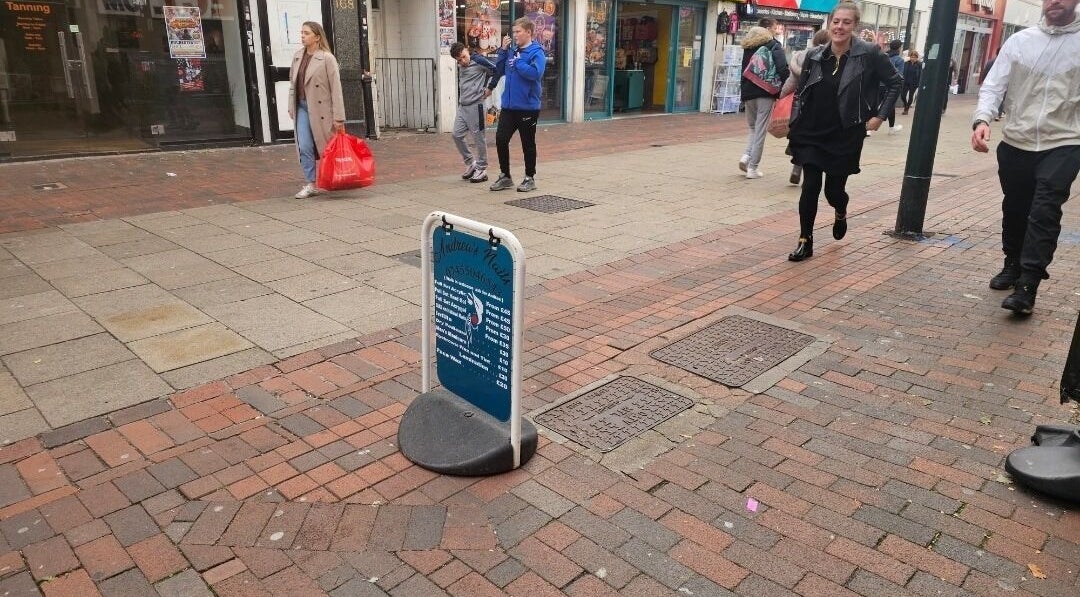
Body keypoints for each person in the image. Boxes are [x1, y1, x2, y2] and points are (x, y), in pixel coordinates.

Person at [971, 0, 1080, 315]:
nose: (1055, 1)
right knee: (1016, 207)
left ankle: (1028, 284)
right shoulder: (1020, 41)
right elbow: (994, 86)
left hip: (1064, 141)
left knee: (1045, 210)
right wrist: (982, 120)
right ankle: (1013, 263)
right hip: (1016, 140)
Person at [785, 1, 901, 262]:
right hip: (812, 129)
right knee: (810, 185)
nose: (839, 27)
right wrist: (794, 122)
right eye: (836, 21)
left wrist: (880, 116)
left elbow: (895, 82)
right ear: (830, 24)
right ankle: (805, 240)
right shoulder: (815, 55)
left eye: (846, 22)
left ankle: (840, 210)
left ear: (855, 25)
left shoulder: (869, 53)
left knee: (833, 191)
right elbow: (801, 92)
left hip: (845, 131)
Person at [288, 21, 345, 199]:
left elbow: (336, 88)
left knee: (327, 148)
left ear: (317, 37)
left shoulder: (327, 58)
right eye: (302, 32)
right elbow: (292, 84)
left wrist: (339, 117)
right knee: (304, 146)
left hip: (322, 110)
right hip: (302, 107)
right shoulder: (298, 56)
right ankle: (311, 184)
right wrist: (291, 106)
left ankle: (335, 179)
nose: (302, 36)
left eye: (306, 33)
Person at [489, 17, 546, 193]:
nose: (514, 35)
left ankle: (530, 178)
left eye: (518, 31)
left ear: (528, 32)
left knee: (527, 143)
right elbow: (499, 69)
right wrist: (503, 50)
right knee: (501, 139)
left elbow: (536, 74)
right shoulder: (512, 51)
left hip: (527, 107)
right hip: (509, 106)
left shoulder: (537, 52)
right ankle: (505, 176)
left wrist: (519, 63)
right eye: (513, 32)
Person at [738, 24, 789, 179]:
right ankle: (752, 168)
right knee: (760, 131)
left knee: (753, 128)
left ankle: (746, 156)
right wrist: (785, 89)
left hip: (748, 93)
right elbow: (782, 68)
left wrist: (743, 94)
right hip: (766, 93)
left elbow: (743, 72)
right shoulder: (774, 46)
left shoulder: (747, 48)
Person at [781, 29, 830, 186]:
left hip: (802, 104)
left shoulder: (802, 56)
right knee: (818, 140)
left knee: (802, 136)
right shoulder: (831, 56)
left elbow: (791, 83)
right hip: (823, 106)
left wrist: (781, 96)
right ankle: (811, 175)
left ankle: (797, 167)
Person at [449, 42, 497, 183]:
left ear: (467, 50)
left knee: (478, 137)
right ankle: (471, 163)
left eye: (464, 57)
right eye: (459, 60)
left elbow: (496, 70)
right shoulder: (461, 65)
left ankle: (482, 169)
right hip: (463, 106)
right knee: (456, 135)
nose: (462, 61)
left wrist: (489, 88)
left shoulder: (479, 60)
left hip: (476, 106)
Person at [883, 39, 904, 134]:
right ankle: (891, 128)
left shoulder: (884, 56)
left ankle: (868, 129)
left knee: (874, 105)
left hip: (880, 84)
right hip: (891, 86)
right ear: (899, 48)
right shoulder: (899, 60)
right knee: (890, 106)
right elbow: (899, 75)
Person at [900, 49, 922, 115]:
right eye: (912, 57)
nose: (913, 58)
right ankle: (906, 105)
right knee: (902, 95)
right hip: (906, 82)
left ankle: (906, 109)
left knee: (910, 96)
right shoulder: (906, 63)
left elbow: (920, 74)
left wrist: (918, 83)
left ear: (917, 57)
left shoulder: (919, 64)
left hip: (914, 83)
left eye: (914, 57)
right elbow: (903, 72)